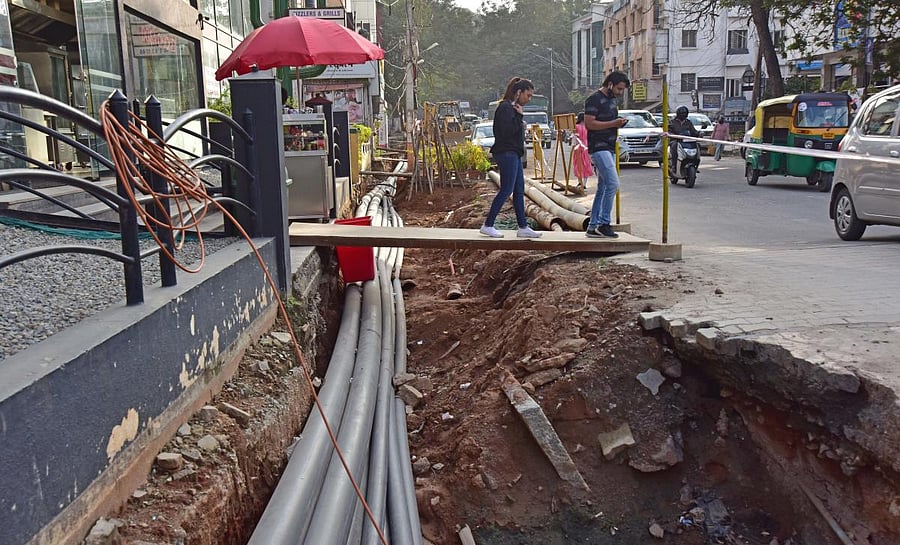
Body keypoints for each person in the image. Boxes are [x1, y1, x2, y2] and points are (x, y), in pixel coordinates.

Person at [480, 77, 542, 239]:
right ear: (518, 92)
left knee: (519, 190)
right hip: (506, 153)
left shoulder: (512, 108)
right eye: (527, 95)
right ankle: (488, 224)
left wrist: (519, 117)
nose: (529, 99)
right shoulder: (506, 108)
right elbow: (507, 132)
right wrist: (520, 118)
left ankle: (523, 226)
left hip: (513, 153)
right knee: (507, 189)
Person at [583, 71, 630, 238]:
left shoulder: (612, 100)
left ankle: (593, 226)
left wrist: (618, 124)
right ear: (610, 84)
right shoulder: (594, 99)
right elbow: (589, 123)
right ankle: (604, 223)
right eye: (618, 88)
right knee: (613, 183)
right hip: (598, 147)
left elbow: (608, 123)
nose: (620, 92)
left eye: (622, 89)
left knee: (603, 187)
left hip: (610, 146)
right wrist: (613, 123)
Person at [668, 106, 700, 175]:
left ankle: (695, 163)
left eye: (684, 113)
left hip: (687, 142)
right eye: (682, 113)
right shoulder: (672, 122)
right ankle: (674, 165)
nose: (683, 115)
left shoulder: (688, 122)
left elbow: (693, 131)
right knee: (674, 145)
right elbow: (668, 131)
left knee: (697, 145)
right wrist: (673, 135)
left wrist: (698, 134)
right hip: (676, 140)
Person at [572, 112, 593, 190]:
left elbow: (574, 138)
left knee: (578, 165)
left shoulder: (576, 127)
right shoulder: (588, 127)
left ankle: (580, 182)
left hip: (578, 148)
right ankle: (584, 183)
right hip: (586, 148)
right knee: (586, 165)